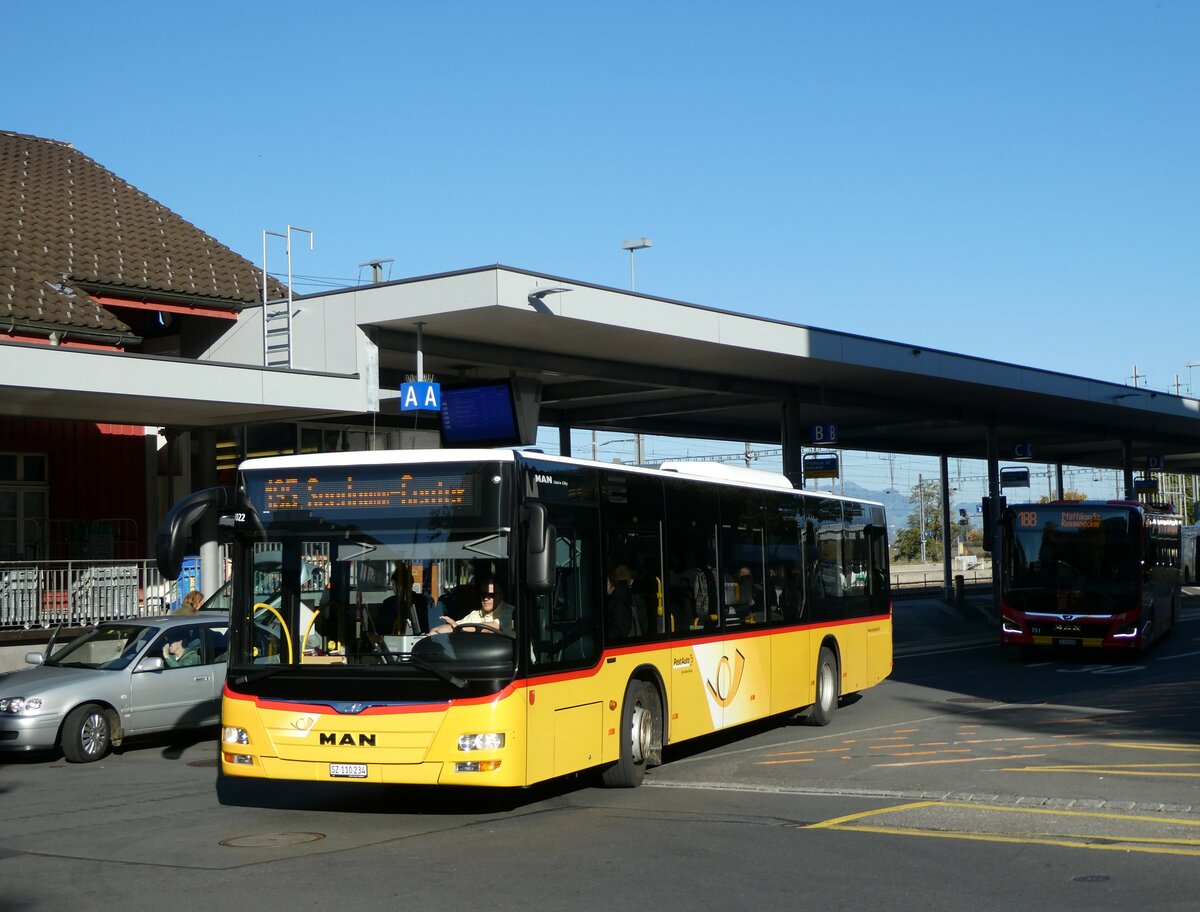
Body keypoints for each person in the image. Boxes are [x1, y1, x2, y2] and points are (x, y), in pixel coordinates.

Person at [431, 579, 513, 634]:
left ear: (501, 596)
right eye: (483, 594)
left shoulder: (511, 612)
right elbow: (455, 626)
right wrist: (437, 630)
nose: (486, 598)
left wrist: (460, 628)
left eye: (491, 595)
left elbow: (496, 626)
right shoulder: (475, 614)